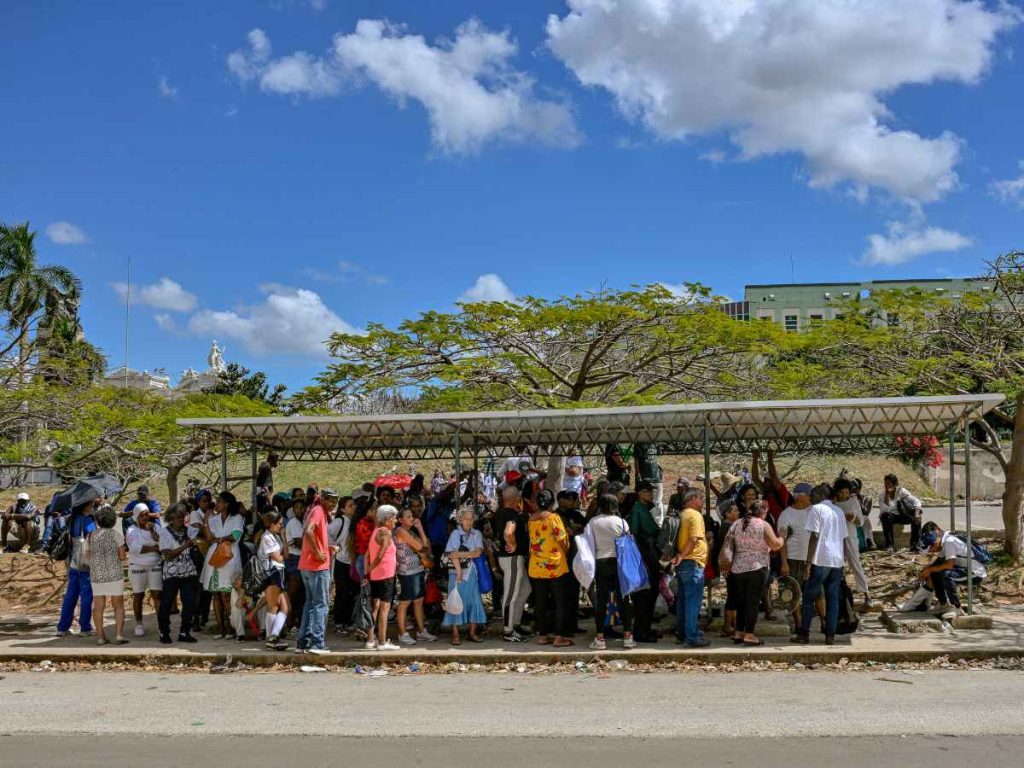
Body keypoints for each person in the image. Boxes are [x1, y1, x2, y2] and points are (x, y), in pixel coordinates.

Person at [720, 500, 783, 646]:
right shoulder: (763, 524)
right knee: (752, 603)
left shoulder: (736, 523)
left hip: (737, 567)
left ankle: (738, 632)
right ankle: (749, 634)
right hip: (757, 567)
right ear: (763, 512)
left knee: (741, 602)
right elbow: (775, 545)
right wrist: (782, 537)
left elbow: (729, 543)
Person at [792, 484, 847, 645]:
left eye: (813, 493)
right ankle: (830, 635)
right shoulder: (839, 511)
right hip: (836, 560)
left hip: (821, 558)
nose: (810, 497)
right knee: (832, 598)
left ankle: (804, 633)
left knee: (809, 597)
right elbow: (843, 538)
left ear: (822, 494)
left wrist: (808, 562)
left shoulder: (816, 509)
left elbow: (814, 537)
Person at [900, 522, 987, 618]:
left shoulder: (949, 541)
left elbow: (949, 565)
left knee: (947, 575)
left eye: (933, 546)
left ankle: (956, 607)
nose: (934, 549)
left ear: (938, 531)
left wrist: (929, 569)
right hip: (963, 569)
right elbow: (937, 564)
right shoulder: (944, 542)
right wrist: (927, 571)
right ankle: (943, 604)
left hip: (975, 573)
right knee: (934, 573)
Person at [586, 493, 635, 650]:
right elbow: (629, 540)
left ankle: (600, 638)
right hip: (619, 564)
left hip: (600, 563)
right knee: (623, 599)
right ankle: (627, 636)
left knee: (601, 600)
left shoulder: (593, 522)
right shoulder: (621, 522)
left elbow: (588, 543)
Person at [527, 489, 574, 647]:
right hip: (555, 565)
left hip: (537, 566)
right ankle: (559, 636)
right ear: (552, 503)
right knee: (560, 601)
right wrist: (566, 551)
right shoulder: (554, 518)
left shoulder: (531, 519)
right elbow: (562, 539)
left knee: (540, 602)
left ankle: (542, 635)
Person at [200, 491, 245, 640]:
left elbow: (235, 536)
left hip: (230, 558)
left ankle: (232, 626)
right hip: (215, 557)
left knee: (227, 594)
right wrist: (206, 520)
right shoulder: (214, 519)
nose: (216, 504)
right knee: (216, 594)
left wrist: (218, 540)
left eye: (219, 501)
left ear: (226, 504)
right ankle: (221, 628)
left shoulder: (237, 517)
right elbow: (208, 538)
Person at [296, 488, 335, 654]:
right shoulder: (318, 511)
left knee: (310, 604)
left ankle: (303, 641)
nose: (333, 504)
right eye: (331, 500)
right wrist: (318, 552)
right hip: (317, 566)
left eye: (336, 501)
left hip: (306, 565)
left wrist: (326, 547)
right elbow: (309, 530)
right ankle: (317, 642)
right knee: (321, 604)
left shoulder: (315, 510)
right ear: (323, 499)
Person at [443, 506, 488, 645]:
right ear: (460, 519)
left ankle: (472, 632)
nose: (469, 522)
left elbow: (478, 553)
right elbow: (451, 554)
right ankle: (455, 635)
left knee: (474, 601)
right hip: (456, 573)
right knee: (455, 601)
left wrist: (461, 554)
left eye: (471, 519)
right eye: (466, 519)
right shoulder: (455, 534)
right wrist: (458, 571)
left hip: (472, 573)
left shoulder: (477, 534)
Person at [672, 488, 710, 648]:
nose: (702, 502)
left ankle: (683, 632)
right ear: (693, 499)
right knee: (693, 602)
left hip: (684, 564)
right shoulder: (694, 515)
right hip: (692, 562)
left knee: (683, 600)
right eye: (701, 498)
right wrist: (683, 555)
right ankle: (692, 636)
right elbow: (694, 538)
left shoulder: (682, 514)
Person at [156, 503, 199, 645]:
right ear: (171, 517)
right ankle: (164, 632)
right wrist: (184, 547)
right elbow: (167, 555)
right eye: (178, 516)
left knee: (189, 603)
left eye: (183, 516)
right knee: (166, 604)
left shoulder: (190, 531)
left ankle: (184, 632)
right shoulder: (164, 533)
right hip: (171, 573)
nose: (181, 519)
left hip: (188, 572)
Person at [495, 486, 532, 643]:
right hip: (512, 558)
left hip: (512, 559)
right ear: (514, 498)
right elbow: (508, 532)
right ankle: (508, 631)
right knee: (511, 594)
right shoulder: (511, 515)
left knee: (525, 589)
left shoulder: (500, 513)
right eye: (518, 496)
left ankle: (515, 623)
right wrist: (514, 544)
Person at [87, 504, 128, 645]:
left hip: (97, 574)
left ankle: (101, 637)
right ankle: (119, 635)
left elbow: (88, 555)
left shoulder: (92, 536)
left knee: (98, 607)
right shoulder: (117, 535)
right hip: (114, 573)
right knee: (118, 606)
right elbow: (122, 556)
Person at [394, 507, 435, 645]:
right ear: (400, 520)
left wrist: (420, 528)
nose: (412, 518)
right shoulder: (400, 531)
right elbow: (421, 547)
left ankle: (421, 631)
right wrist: (423, 547)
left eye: (412, 516)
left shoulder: (411, 531)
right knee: (405, 602)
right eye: (408, 516)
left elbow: (426, 545)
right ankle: (402, 632)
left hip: (417, 569)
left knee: (418, 600)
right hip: (406, 572)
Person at [628, 481, 661, 643]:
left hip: (651, 554)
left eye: (651, 491)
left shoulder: (648, 509)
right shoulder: (637, 510)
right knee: (644, 596)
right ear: (640, 493)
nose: (651, 494)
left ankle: (646, 628)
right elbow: (634, 534)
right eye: (647, 491)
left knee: (652, 593)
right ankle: (641, 631)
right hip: (644, 557)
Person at [778, 483, 814, 628]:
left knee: (814, 593)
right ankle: (799, 624)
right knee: (794, 592)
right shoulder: (786, 514)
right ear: (800, 497)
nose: (811, 498)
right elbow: (782, 540)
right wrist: (784, 562)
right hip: (793, 559)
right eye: (809, 495)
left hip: (812, 559)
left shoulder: (814, 511)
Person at [364, 504, 399, 651]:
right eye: (394, 518)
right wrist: (370, 570)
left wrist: (368, 572)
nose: (396, 521)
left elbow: (367, 555)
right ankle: (383, 642)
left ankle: (370, 640)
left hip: (376, 575)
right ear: (388, 519)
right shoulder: (386, 533)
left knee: (375, 607)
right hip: (385, 574)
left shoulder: (375, 532)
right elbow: (380, 555)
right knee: (385, 607)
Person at [833, 478, 871, 608]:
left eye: (846, 492)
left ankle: (866, 594)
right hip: (836, 538)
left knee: (855, 563)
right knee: (837, 566)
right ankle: (839, 593)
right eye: (841, 493)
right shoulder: (833, 504)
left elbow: (860, 521)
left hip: (850, 536)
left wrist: (853, 518)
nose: (844, 495)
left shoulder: (853, 502)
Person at [126, 504, 162, 637]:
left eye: (147, 514)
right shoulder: (131, 530)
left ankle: (161, 623)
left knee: (157, 594)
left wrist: (153, 533)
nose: (145, 517)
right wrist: (154, 548)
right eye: (141, 515)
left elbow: (162, 542)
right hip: (137, 565)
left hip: (155, 564)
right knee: (138, 595)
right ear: (136, 516)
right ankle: (139, 624)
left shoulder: (156, 527)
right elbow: (135, 548)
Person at [257, 510, 290, 650]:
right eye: (279, 524)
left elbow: (285, 555)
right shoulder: (267, 538)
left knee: (285, 607)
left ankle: (273, 635)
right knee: (274, 606)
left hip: (278, 572)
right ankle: (271, 637)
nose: (281, 527)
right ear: (271, 524)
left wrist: (283, 537)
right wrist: (283, 555)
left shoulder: (274, 536)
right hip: (272, 573)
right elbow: (279, 558)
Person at [328, 496, 357, 636]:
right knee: (342, 592)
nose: (354, 508)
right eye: (350, 505)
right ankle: (339, 623)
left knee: (351, 593)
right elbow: (327, 534)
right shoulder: (339, 521)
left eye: (354, 505)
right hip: (341, 561)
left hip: (352, 562)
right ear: (342, 509)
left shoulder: (354, 522)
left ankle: (347, 621)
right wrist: (334, 546)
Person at [878, 474, 923, 551]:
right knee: (885, 516)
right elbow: (884, 510)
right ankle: (889, 545)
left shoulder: (901, 491)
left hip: (903, 515)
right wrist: (887, 497)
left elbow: (916, 501)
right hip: (891, 516)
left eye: (888, 483)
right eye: (885, 483)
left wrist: (917, 512)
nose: (886, 485)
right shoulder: (882, 494)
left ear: (894, 484)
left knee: (918, 519)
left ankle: (915, 545)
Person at [284, 496, 306, 634]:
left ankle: (295, 621)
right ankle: (288, 621)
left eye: (303, 507)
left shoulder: (302, 522)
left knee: (299, 593)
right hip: (294, 558)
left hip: (300, 557)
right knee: (293, 591)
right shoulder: (294, 523)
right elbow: (300, 542)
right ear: (293, 509)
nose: (301, 510)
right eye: (298, 507)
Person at [633, 442, 663, 522]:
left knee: (657, 501)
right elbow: (636, 460)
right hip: (645, 478)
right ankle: (646, 522)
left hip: (656, 477)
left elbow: (655, 458)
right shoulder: (639, 443)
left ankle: (659, 524)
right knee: (645, 502)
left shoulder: (655, 442)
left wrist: (659, 467)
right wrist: (638, 474)